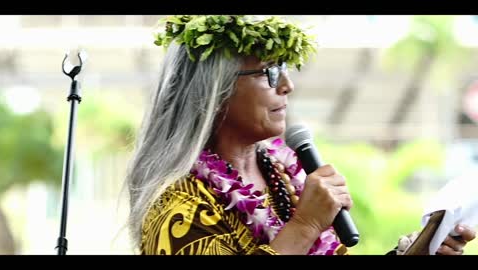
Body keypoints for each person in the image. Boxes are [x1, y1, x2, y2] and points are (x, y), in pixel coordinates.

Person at [125, 15, 476, 255]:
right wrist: (305, 224)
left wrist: (417, 250)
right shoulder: (176, 205)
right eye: (269, 73)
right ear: (213, 91)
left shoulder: (283, 176)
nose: (287, 86)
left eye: (286, 71)